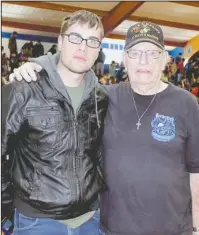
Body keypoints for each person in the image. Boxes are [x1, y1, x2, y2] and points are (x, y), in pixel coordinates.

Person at [9, 21, 199, 235]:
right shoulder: (102, 98)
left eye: (152, 53)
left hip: (173, 229)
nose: (143, 61)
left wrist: (195, 226)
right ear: (125, 59)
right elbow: (69, 79)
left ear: (165, 59)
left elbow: (196, 172)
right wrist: (37, 66)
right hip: (112, 229)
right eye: (135, 53)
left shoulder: (186, 104)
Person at [2, 10, 109, 235]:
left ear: (98, 49)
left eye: (92, 41)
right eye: (75, 37)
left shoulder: (101, 97)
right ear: (60, 41)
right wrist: (5, 211)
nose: (83, 47)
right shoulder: (23, 89)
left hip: (91, 219)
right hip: (37, 221)